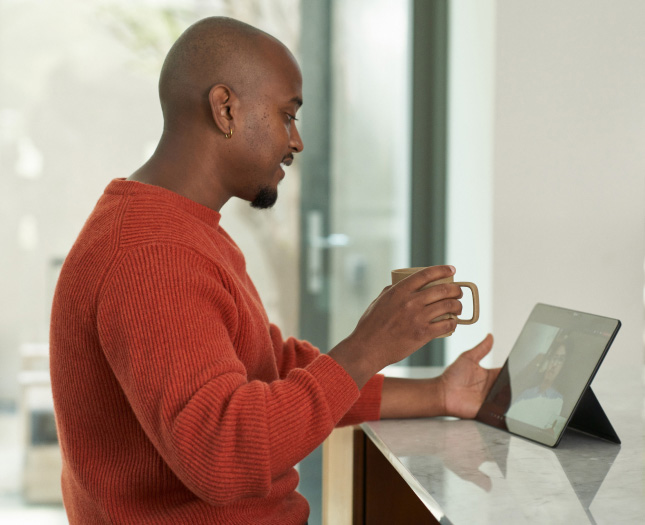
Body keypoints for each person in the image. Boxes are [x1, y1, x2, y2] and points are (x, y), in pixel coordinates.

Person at [49, 16, 500, 524]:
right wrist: (368, 345)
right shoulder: (150, 253)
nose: (297, 141)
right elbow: (221, 455)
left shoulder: (184, 231)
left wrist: (440, 393)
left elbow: (272, 369)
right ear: (225, 109)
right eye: (288, 115)